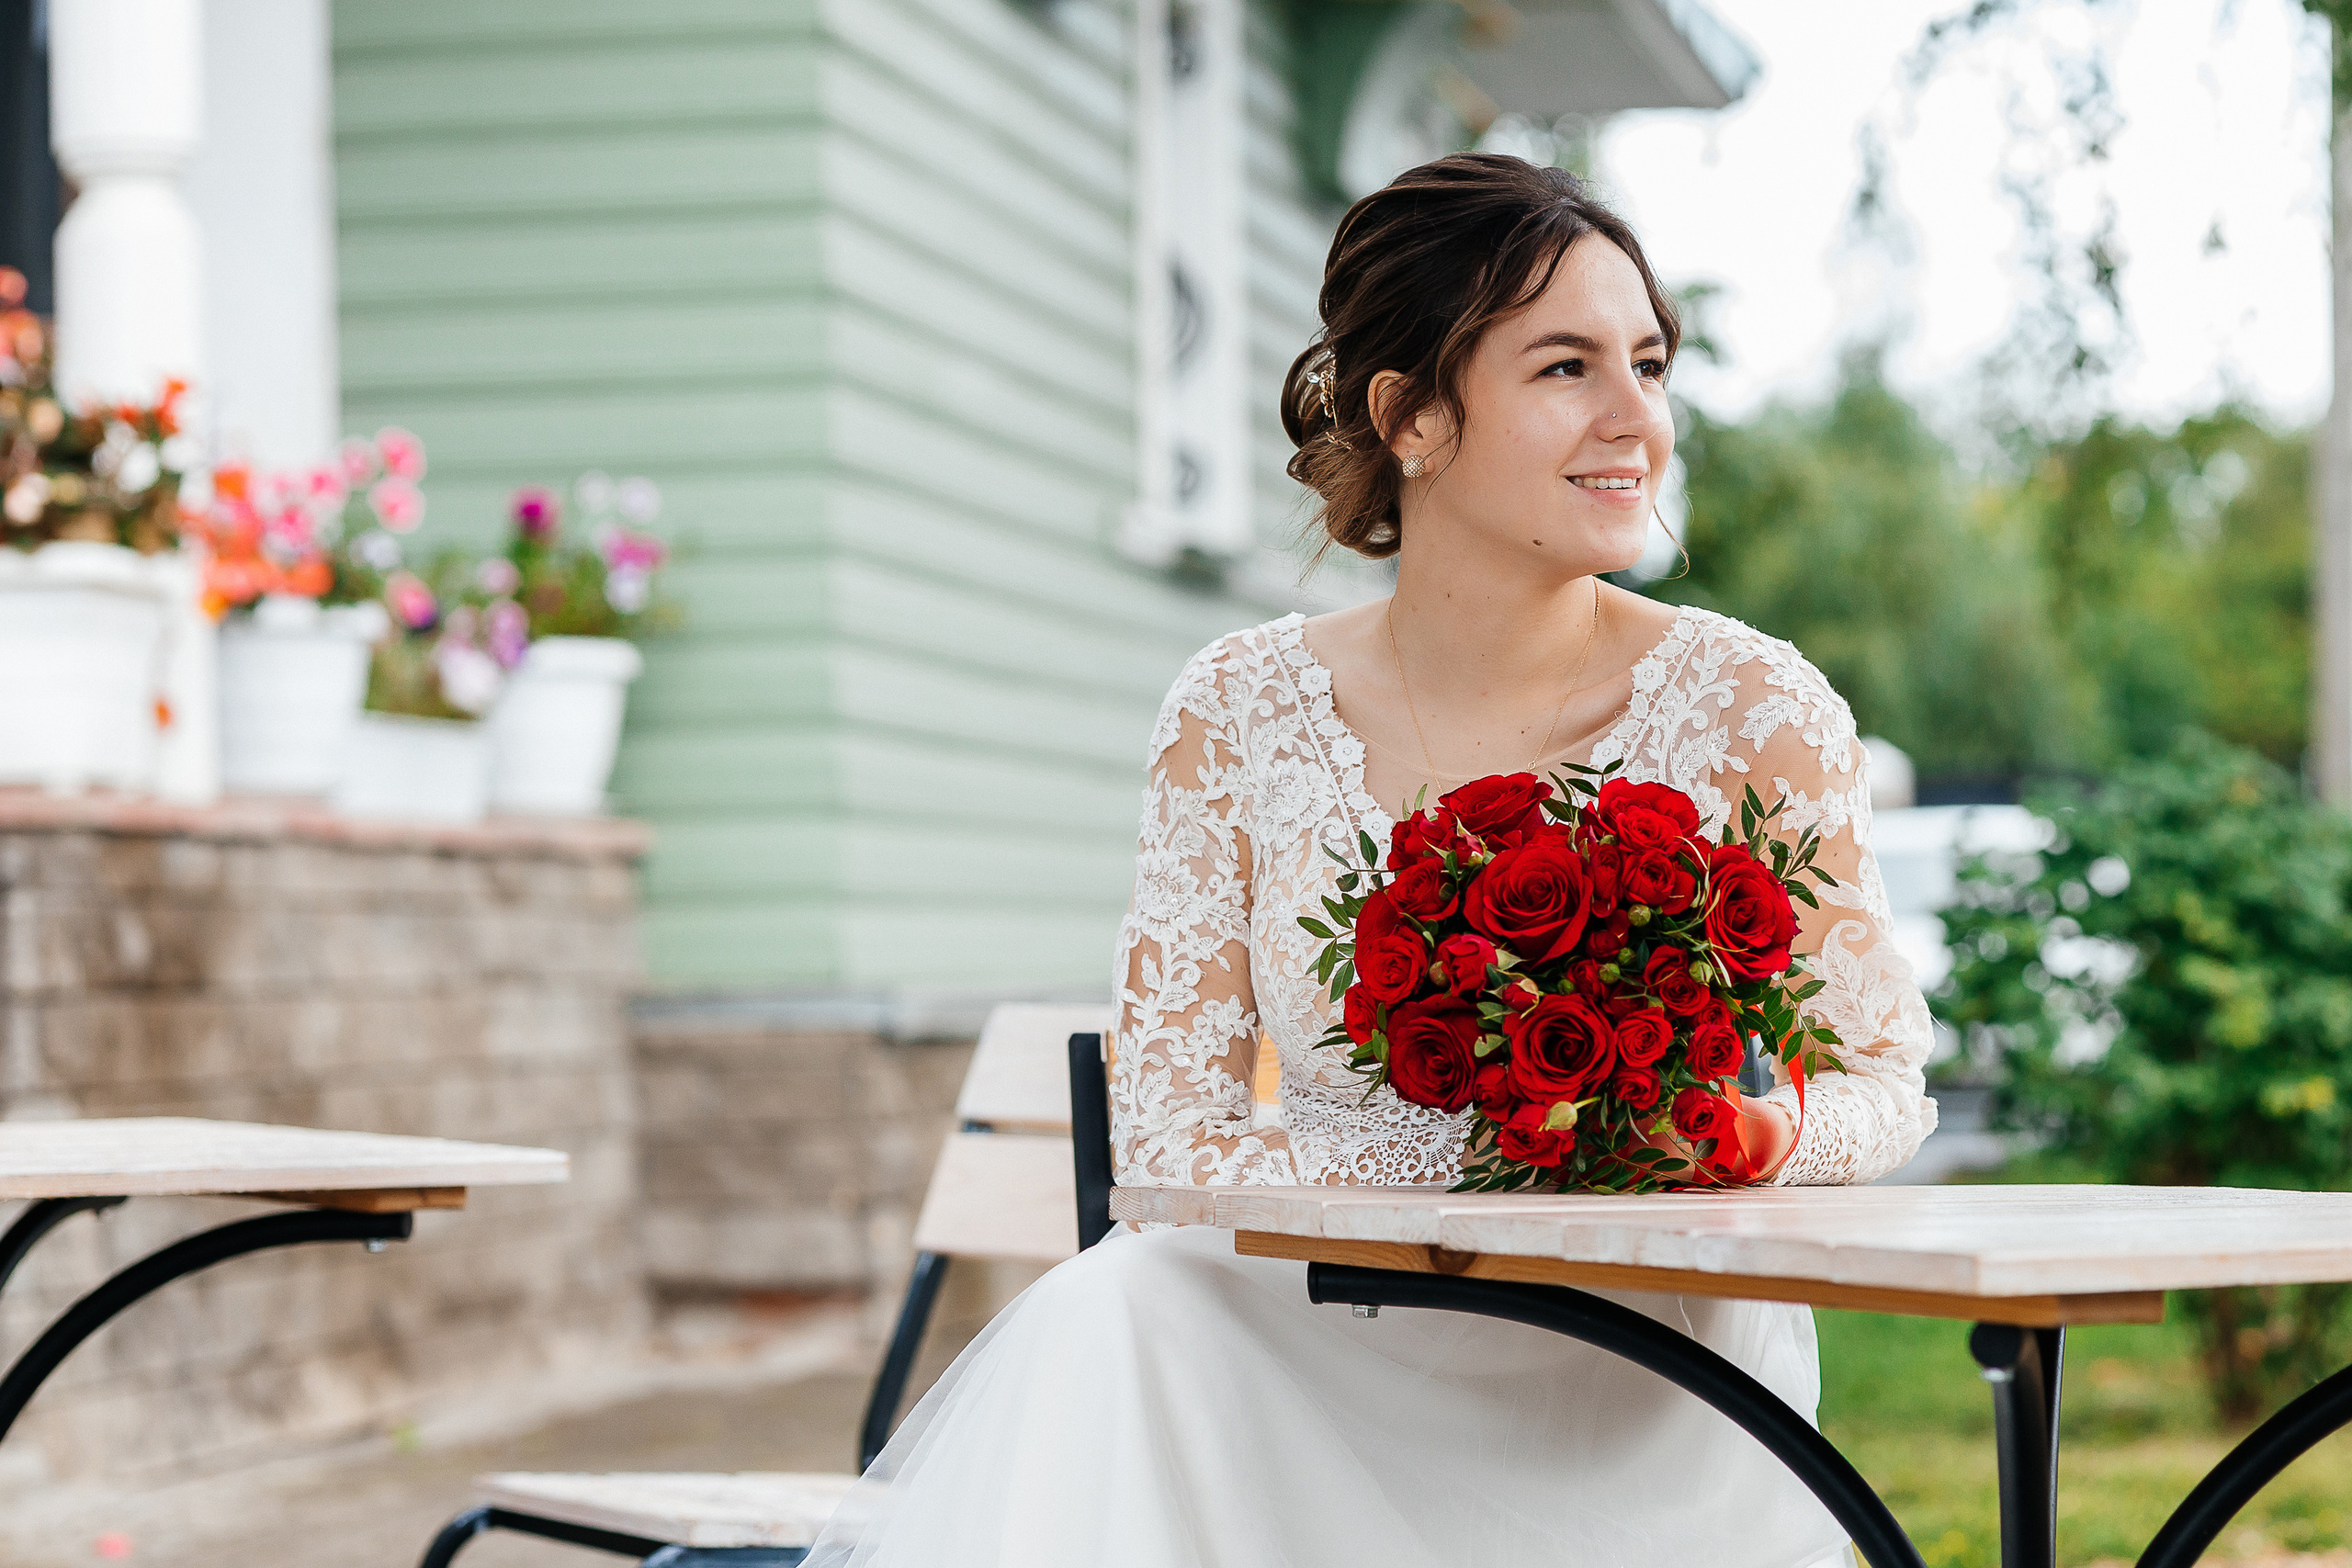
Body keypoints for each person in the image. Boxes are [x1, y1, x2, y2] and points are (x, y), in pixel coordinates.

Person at [805, 152, 1935, 1568]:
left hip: (1647, 1367)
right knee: (1119, 1305)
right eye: (1566, 368)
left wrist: (1750, 1135)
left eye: (1649, 362)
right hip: (1317, 1332)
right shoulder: (1235, 711)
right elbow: (1165, 1142)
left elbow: (1883, 1083)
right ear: (1409, 417)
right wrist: (1455, 1168)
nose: (1636, 419)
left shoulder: (1759, 709)